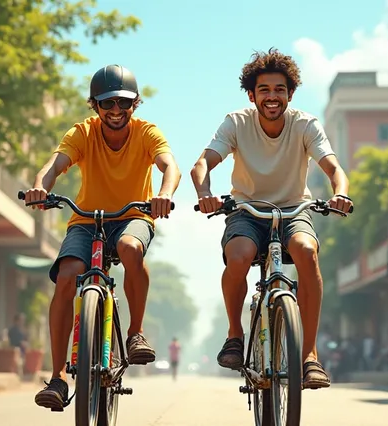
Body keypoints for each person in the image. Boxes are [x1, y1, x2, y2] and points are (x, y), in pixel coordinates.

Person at [191, 48, 353, 390]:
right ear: (252, 95)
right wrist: (205, 193)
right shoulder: (236, 122)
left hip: (294, 210)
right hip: (247, 211)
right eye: (264, 90)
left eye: (279, 89)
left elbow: (333, 168)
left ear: (290, 94)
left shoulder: (305, 124)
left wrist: (340, 192)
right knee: (239, 256)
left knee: (307, 253)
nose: (272, 96)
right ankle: (235, 335)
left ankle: (309, 356)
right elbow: (202, 164)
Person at [23, 64, 181, 411]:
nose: (115, 111)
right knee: (66, 278)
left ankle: (135, 332)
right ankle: (58, 376)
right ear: (94, 105)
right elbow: (53, 165)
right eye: (107, 103)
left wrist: (164, 194)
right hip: (86, 221)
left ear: (135, 104)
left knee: (129, 248)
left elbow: (170, 165)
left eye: (123, 103)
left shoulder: (146, 132)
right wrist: (39, 187)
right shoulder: (83, 132)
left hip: (133, 216)